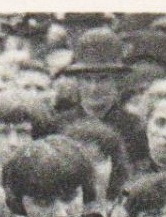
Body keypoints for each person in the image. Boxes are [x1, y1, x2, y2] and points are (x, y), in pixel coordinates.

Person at [57, 28, 147, 165]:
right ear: (77, 81)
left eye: (103, 79)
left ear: (117, 81)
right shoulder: (60, 124)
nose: (94, 88)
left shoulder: (134, 129)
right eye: (87, 79)